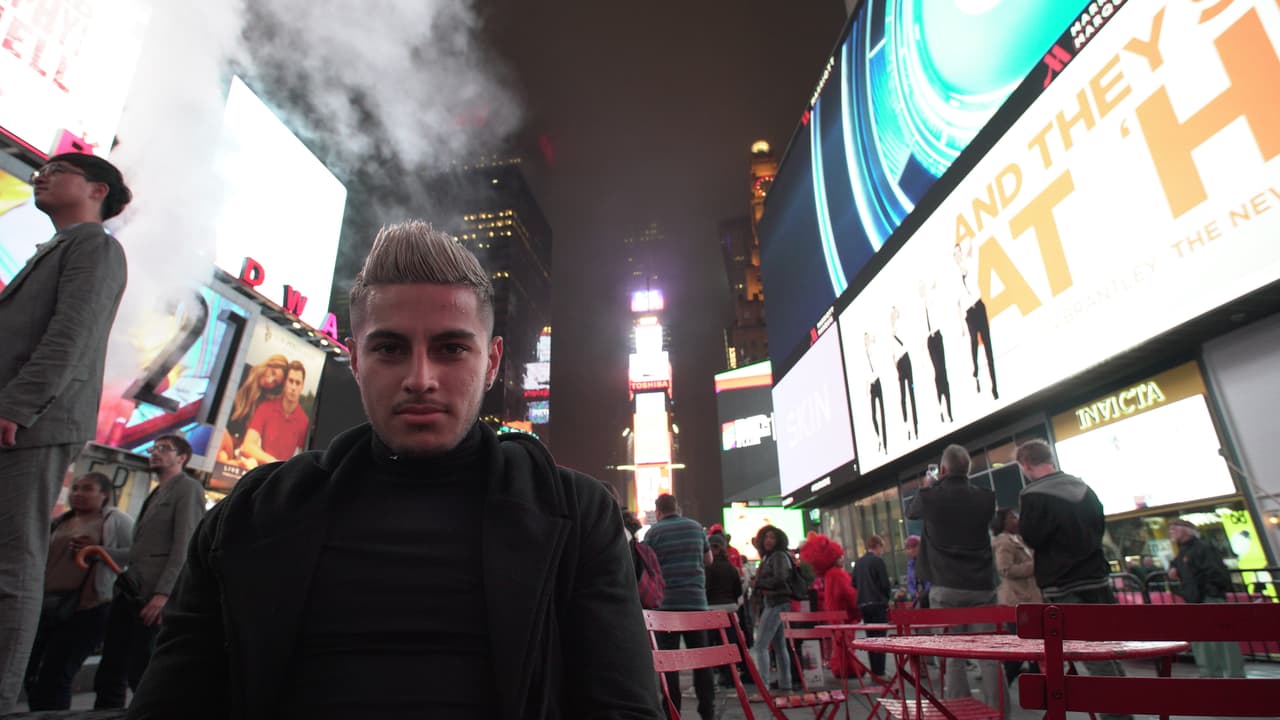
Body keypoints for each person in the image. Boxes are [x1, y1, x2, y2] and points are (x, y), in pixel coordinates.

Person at [127, 221, 660, 718]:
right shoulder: (248, 516)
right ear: (356, 359)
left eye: (451, 348)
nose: (420, 378)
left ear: (492, 362)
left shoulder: (578, 516)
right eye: (390, 348)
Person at [0, 152, 131, 714]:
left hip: (32, 421)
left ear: (97, 189)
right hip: (23, 417)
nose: (42, 177)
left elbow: (70, 336)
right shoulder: (59, 247)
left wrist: (17, 405)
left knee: (13, 560)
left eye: (57, 170)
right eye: (38, 173)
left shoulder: (95, 246)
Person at [1016, 438, 1131, 720]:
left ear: (1026, 465)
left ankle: (1116, 716)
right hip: (1097, 578)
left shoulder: (1033, 495)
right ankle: (1125, 707)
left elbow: (1031, 537)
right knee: (1107, 649)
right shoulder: (1083, 488)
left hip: (1062, 582)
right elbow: (1099, 527)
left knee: (1087, 654)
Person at [94, 433, 205, 709]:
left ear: (182, 458)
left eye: (164, 448)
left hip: (151, 598)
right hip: (130, 590)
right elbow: (138, 551)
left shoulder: (188, 488)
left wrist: (164, 594)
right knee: (112, 668)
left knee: (140, 670)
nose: (155, 452)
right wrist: (99, 551)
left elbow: (185, 545)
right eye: (154, 448)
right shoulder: (156, 491)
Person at [906, 444, 1003, 713]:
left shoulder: (931, 496)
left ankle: (959, 713)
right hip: (982, 586)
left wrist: (930, 485)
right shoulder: (986, 498)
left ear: (943, 469)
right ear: (968, 469)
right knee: (990, 657)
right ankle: (999, 713)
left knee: (953, 657)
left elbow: (911, 512)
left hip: (945, 586)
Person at [24, 472, 133, 709]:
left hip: (87, 607)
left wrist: (99, 550)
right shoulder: (62, 520)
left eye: (87, 489)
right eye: (75, 488)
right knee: (31, 671)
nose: (78, 494)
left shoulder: (114, 520)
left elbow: (134, 554)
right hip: (48, 603)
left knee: (57, 673)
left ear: (104, 495)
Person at [644, 493, 715, 719]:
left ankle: (672, 711)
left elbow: (647, 564)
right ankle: (707, 711)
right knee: (702, 660)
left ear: (658, 511)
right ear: (678, 508)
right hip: (696, 603)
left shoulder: (653, 533)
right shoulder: (696, 528)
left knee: (669, 662)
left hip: (666, 606)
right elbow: (709, 560)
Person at [1168, 518, 1245, 678]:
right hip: (1196, 600)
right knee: (1203, 642)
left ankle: (1233, 677)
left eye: (1175, 528)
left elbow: (1215, 573)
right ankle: (1211, 676)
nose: (1171, 532)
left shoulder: (1202, 548)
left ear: (1186, 530)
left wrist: (1208, 592)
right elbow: (1177, 566)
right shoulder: (1184, 551)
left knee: (1222, 641)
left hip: (1208, 598)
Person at [990, 508, 1041, 685]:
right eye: (1012, 517)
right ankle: (1005, 684)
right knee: (1023, 647)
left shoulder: (1019, 539)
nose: (1017, 520)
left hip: (1028, 598)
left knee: (1032, 646)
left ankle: (1034, 684)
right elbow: (1005, 569)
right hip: (1016, 599)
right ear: (1003, 522)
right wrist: (1034, 566)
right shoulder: (1004, 542)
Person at [798, 532, 860, 677]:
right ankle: (848, 668)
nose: (842, 559)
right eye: (839, 557)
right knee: (847, 643)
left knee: (839, 643)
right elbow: (848, 594)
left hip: (835, 615)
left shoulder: (828, 575)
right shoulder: (838, 573)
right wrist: (858, 605)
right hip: (845, 614)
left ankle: (842, 667)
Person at [216, 354, 287, 465]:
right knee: (221, 455)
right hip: (215, 430)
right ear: (268, 364)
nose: (270, 380)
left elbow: (242, 439)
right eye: (272, 373)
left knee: (223, 455)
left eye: (275, 382)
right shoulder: (241, 371)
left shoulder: (261, 401)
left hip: (227, 444)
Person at [238, 360, 310, 468]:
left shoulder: (304, 422)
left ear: (302, 386)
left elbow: (303, 459)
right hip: (262, 468)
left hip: (283, 474)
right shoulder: (266, 408)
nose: (293, 387)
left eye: (297, 383)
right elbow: (248, 445)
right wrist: (273, 462)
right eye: (290, 381)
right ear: (284, 382)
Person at [749, 525, 795, 694]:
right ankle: (786, 685)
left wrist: (759, 583)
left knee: (760, 645)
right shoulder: (772, 556)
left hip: (775, 603)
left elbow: (780, 578)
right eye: (766, 537)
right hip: (777, 602)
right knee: (779, 645)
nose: (768, 540)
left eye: (772, 537)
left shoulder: (777, 556)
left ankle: (764, 688)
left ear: (779, 540)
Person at [705, 533, 744, 689]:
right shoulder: (731, 568)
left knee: (710, 647)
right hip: (729, 610)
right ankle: (730, 678)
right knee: (729, 646)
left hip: (711, 610)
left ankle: (709, 681)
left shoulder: (707, 567)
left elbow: (706, 588)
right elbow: (738, 591)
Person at [852, 535, 891, 681]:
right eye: (882, 547)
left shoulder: (859, 562)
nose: (882, 551)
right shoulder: (878, 561)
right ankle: (880, 672)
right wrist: (886, 599)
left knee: (871, 638)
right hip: (877, 603)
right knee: (880, 638)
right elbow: (885, 584)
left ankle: (875, 671)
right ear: (878, 546)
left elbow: (854, 583)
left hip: (863, 604)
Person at [902, 534, 930, 608]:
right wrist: (915, 593)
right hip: (917, 600)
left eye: (914, 546)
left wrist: (924, 593)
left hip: (929, 598)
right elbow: (909, 583)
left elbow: (931, 580)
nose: (911, 550)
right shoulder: (910, 565)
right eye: (908, 548)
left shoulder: (928, 561)